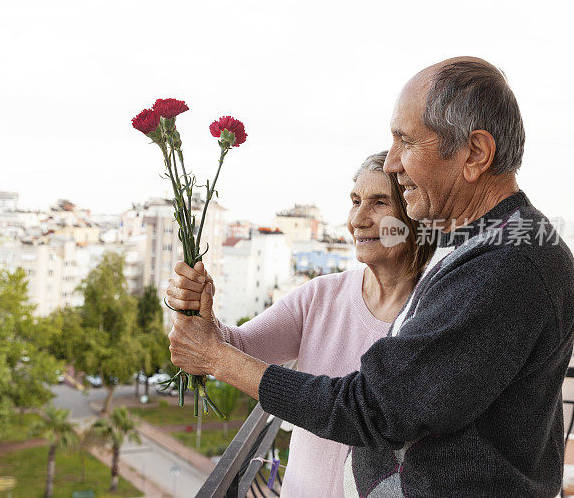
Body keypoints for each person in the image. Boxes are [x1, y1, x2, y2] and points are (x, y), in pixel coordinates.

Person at [167, 57, 574, 497]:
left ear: (475, 153)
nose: (395, 162)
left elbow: (375, 410)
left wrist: (215, 356)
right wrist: (206, 335)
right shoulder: (484, 247)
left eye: (405, 141)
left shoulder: (507, 263)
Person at [167, 151, 434, 496]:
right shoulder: (319, 296)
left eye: (379, 202)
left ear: (412, 216)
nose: (358, 219)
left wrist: (211, 350)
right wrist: (197, 311)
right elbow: (238, 346)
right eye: (355, 201)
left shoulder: (430, 315)